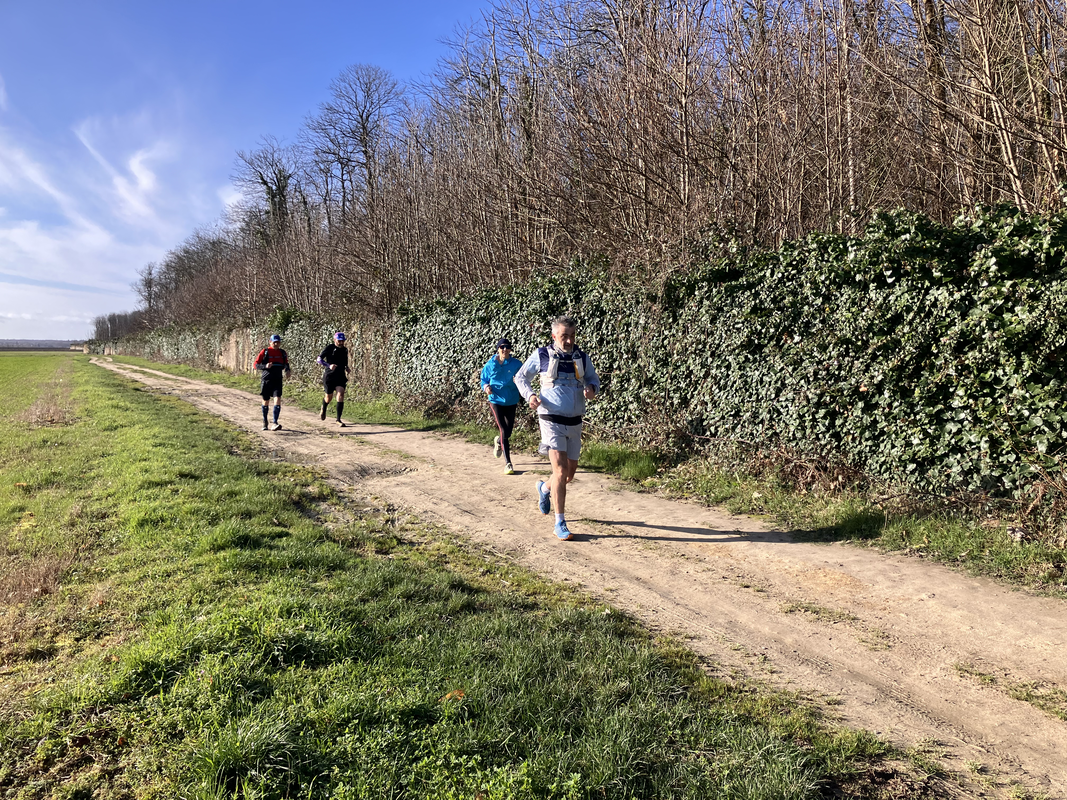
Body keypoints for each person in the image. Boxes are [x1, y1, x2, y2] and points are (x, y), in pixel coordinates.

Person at [514, 315, 601, 540]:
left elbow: (593, 379)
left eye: (572, 336)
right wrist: (530, 395)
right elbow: (520, 377)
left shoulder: (582, 357)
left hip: (575, 421)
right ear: (554, 336)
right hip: (550, 418)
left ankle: (544, 488)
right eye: (564, 336)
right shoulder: (542, 355)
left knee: (568, 475)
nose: (569, 341)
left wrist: (592, 389)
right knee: (560, 471)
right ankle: (560, 523)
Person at [480, 338, 523, 475]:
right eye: (502, 347)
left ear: (510, 349)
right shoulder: (490, 364)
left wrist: (520, 381)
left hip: (511, 399)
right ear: (498, 349)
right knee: (503, 429)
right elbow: (483, 380)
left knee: (508, 431)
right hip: (496, 400)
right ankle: (508, 464)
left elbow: (523, 377)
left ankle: (498, 441)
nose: (505, 349)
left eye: (507, 347)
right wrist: (486, 387)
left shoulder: (517, 364)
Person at [253, 334, 291, 431]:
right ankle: (265, 421)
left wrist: (287, 370)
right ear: (270, 342)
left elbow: (286, 363)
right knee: (266, 401)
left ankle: (274, 423)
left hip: (277, 380)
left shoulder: (282, 352)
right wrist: (265, 366)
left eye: (278, 342)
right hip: (266, 380)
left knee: (277, 399)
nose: (276, 344)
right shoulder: (265, 352)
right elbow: (255, 365)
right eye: (274, 342)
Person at [317, 331, 351, 426]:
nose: (341, 343)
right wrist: (329, 365)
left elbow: (344, 361)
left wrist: (347, 367)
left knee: (341, 394)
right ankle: (324, 408)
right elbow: (319, 359)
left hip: (340, 375)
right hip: (329, 376)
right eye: (339, 341)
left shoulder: (345, 350)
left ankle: (338, 420)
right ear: (334, 340)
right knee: (328, 397)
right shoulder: (330, 348)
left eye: (342, 341)